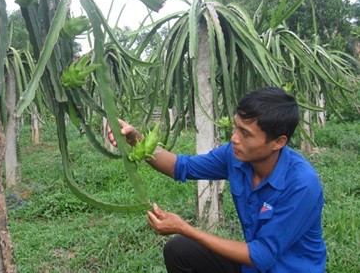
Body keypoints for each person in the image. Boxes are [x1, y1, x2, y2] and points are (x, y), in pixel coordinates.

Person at [107, 87, 326, 273]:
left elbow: (264, 255)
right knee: (179, 251)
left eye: (246, 133)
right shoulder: (235, 155)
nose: (234, 138)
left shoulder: (301, 184)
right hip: (250, 265)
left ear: (278, 142)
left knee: (186, 238)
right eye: (235, 127)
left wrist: (185, 227)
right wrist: (136, 139)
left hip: (286, 268)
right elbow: (181, 166)